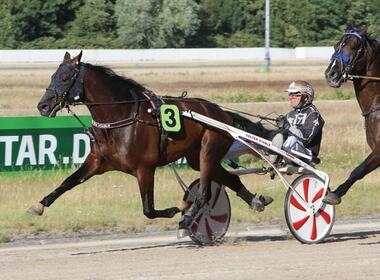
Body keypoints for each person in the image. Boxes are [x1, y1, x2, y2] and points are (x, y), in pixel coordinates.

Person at [279, 80, 324, 162]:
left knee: (291, 139)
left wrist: (288, 127)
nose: (291, 97)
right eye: (290, 94)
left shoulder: (313, 114)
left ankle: (280, 159)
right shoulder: (290, 114)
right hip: (291, 151)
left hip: (307, 154)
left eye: (295, 95)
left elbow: (306, 138)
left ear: (306, 97)